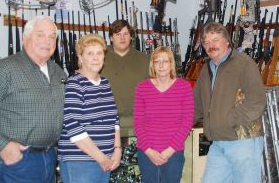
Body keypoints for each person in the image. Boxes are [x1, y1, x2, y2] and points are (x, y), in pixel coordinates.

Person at [0, 16, 66, 183]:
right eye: (40, 35)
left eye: (52, 36)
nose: (47, 41)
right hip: (17, 162)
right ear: (25, 38)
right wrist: (2, 145)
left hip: (49, 158)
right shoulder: (6, 69)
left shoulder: (58, 72)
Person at [194, 22, 266, 183]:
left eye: (215, 40)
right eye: (206, 42)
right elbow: (196, 104)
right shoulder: (206, 69)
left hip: (243, 141)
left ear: (226, 41)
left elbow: (257, 101)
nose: (211, 45)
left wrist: (229, 120)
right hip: (218, 143)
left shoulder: (244, 63)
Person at [58, 34, 121, 183]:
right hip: (80, 161)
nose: (95, 58)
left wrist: (117, 150)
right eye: (90, 53)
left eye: (99, 53)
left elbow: (114, 121)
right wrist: (101, 158)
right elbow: (73, 125)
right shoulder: (75, 84)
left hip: (105, 159)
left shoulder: (105, 83)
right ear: (80, 57)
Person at [134, 46, 194, 183]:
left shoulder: (184, 87)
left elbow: (187, 122)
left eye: (165, 61)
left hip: (173, 153)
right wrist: (149, 151)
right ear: (152, 65)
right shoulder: (142, 88)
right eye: (157, 61)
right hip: (147, 152)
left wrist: (169, 150)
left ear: (171, 64)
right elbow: (138, 123)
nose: (161, 65)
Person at [100, 19, 149, 137]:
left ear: (131, 37)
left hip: (140, 128)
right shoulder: (99, 57)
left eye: (126, 34)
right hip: (107, 128)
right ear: (111, 38)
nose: (122, 38)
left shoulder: (144, 59)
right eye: (118, 34)